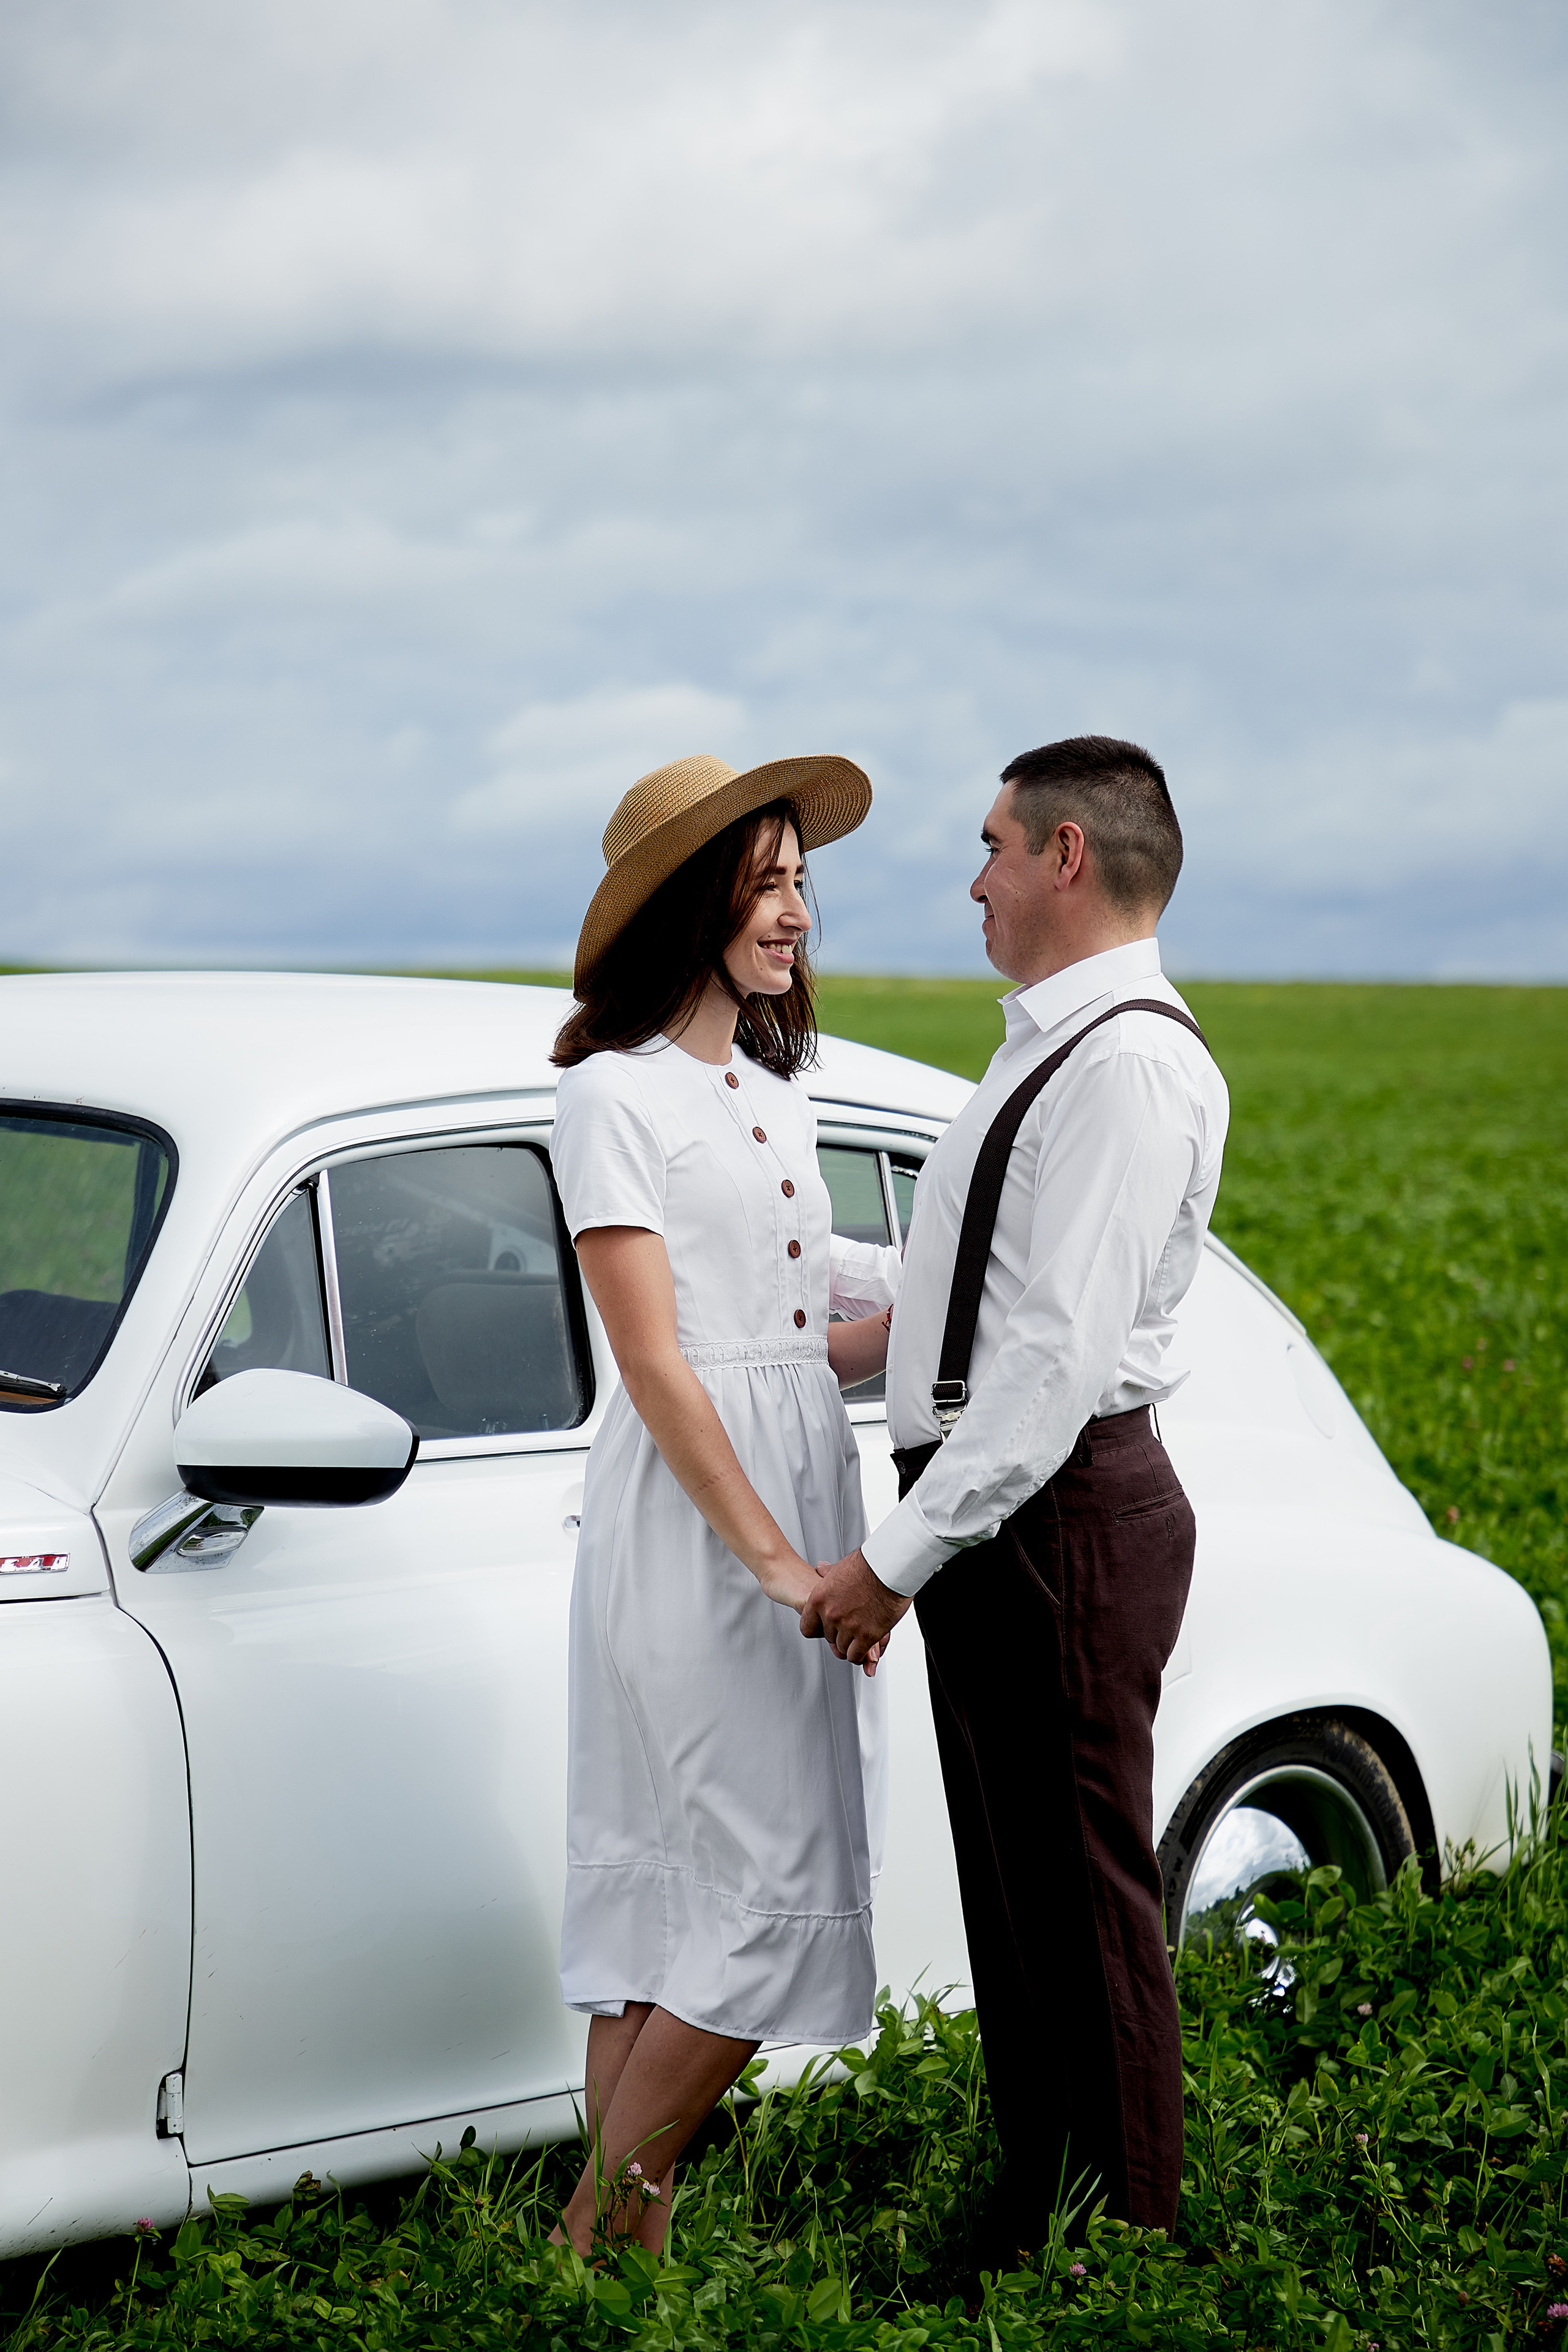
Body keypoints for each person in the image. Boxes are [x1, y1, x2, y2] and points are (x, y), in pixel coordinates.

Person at [802, 734, 1229, 2253]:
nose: (969, 877)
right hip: (1015, 1507)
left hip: (1056, 1512)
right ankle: (1038, 2203)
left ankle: (1121, 2244)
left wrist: (889, 1560)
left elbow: (1044, 1370)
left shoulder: (1122, 1063)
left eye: (989, 845)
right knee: (1017, 1880)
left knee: (1077, 1890)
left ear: (1065, 856)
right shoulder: (1051, 1044)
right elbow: (960, 1292)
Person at [546, 751, 900, 2257]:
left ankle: (622, 2258)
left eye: (799, 879)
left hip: (798, 1473)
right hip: (696, 1526)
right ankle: (589, 2233)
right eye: (763, 881)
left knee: (682, 1909)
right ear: (692, 901)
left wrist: (957, 1311)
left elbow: (793, 1331)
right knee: (759, 1891)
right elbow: (655, 1361)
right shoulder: (608, 1095)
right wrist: (778, 1562)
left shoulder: (776, 1092)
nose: (793, 909)